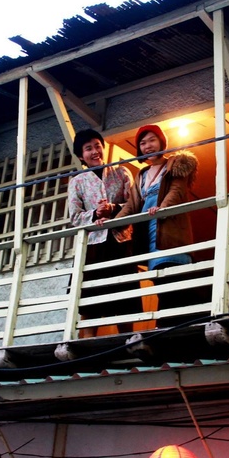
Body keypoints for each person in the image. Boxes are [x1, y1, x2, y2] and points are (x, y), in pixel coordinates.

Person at [114, 124, 202, 328]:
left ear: (162, 142)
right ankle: (166, 326)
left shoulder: (176, 164)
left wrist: (162, 208)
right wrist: (114, 223)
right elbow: (132, 205)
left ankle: (170, 326)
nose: (148, 146)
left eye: (152, 140)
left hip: (171, 232)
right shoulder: (142, 174)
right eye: (143, 143)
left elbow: (177, 191)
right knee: (159, 280)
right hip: (150, 234)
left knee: (174, 278)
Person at [67, 129, 142, 338]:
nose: (95, 151)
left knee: (124, 298)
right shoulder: (77, 181)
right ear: (81, 156)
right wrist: (94, 214)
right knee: (90, 302)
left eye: (97, 145)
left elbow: (134, 204)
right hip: (92, 246)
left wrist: (114, 209)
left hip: (120, 242)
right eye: (88, 148)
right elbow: (74, 217)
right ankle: (88, 347)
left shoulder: (121, 172)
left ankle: (129, 343)